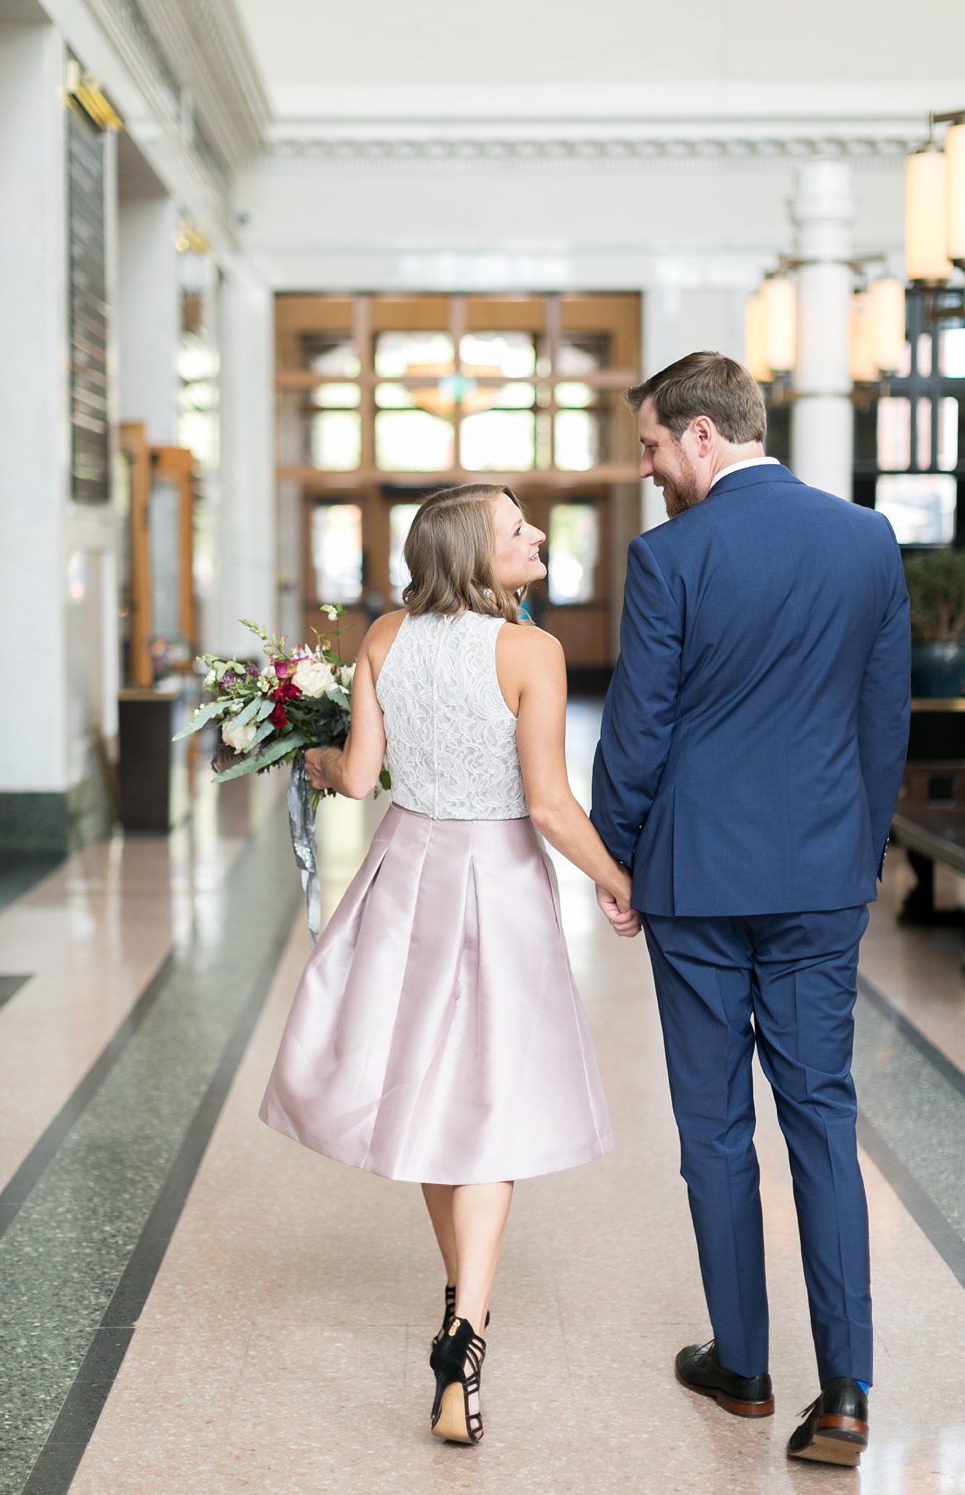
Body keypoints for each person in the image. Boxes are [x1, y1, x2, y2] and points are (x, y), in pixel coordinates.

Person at [261, 483, 631, 1446]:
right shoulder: (533, 652)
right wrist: (616, 879)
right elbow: (549, 806)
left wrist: (307, 758)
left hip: (405, 873)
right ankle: (465, 1332)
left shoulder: (383, 636)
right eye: (518, 528)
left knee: (427, 1094)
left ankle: (463, 1308)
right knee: (491, 1103)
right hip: (495, 880)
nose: (537, 533)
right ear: (476, 553)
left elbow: (354, 775)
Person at [592, 351, 908, 1470]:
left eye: (649, 448)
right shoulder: (865, 541)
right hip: (820, 876)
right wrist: (855, 852)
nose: (646, 471)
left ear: (700, 436)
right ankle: (846, 1391)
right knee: (820, 1116)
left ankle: (739, 1363)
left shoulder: (670, 556)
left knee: (716, 1128)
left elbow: (637, 731)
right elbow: (882, 719)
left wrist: (610, 854)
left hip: (694, 879)